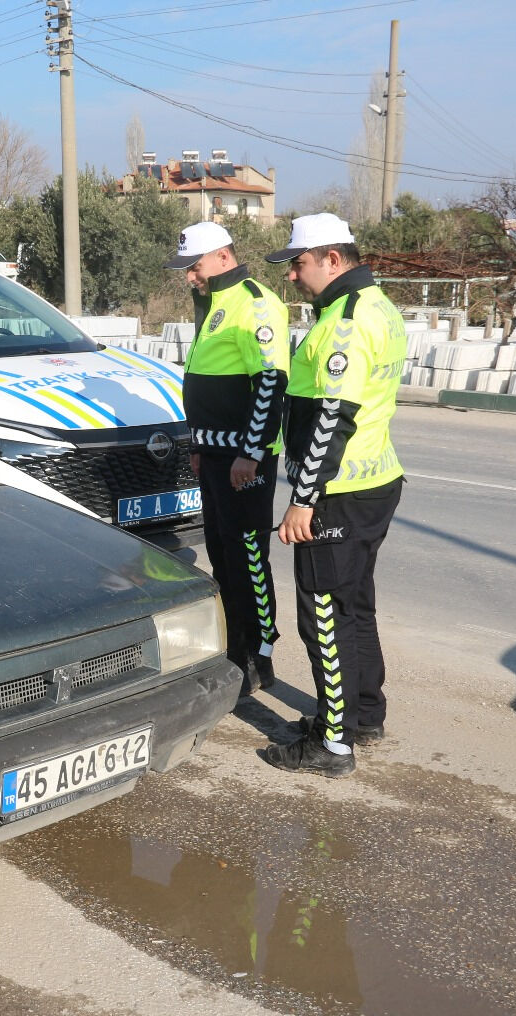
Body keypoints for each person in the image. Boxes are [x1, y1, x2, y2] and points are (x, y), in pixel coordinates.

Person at [259, 213, 406, 778]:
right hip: (374, 483)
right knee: (354, 607)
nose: (293, 276)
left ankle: (334, 742)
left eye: (298, 263)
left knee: (323, 616)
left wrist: (303, 498)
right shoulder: (379, 306)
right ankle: (363, 714)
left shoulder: (345, 322)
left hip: (338, 492)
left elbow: (332, 421)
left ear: (333, 259)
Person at [166, 221, 289, 697]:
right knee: (221, 550)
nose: (189, 277)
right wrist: (199, 446)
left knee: (249, 557)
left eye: (193, 267)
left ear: (221, 257)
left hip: (244, 459)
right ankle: (233, 644)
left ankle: (259, 654)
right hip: (215, 453)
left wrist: (251, 453)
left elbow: (270, 383)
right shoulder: (215, 302)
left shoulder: (256, 303)